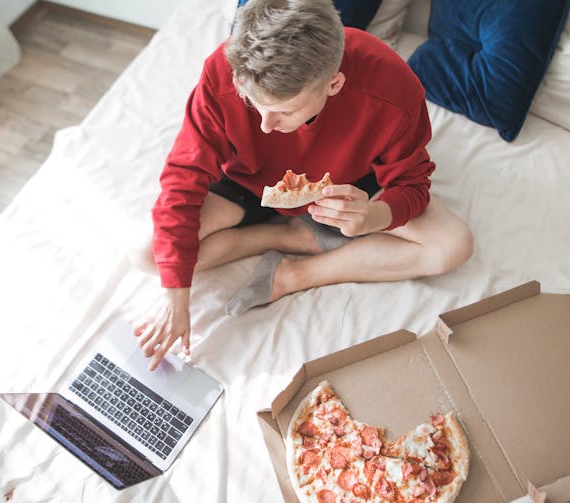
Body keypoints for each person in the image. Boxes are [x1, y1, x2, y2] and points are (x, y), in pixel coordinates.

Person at [131, 0, 473, 370]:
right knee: (149, 256)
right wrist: (175, 299)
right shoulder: (226, 67)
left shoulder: (391, 87)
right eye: (252, 103)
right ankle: (285, 237)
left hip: (352, 182)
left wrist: (372, 216)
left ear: (334, 84)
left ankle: (296, 274)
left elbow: (413, 184)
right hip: (248, 181)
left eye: (284, 111)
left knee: (453, 246)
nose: (264, 125)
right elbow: (182, 179)